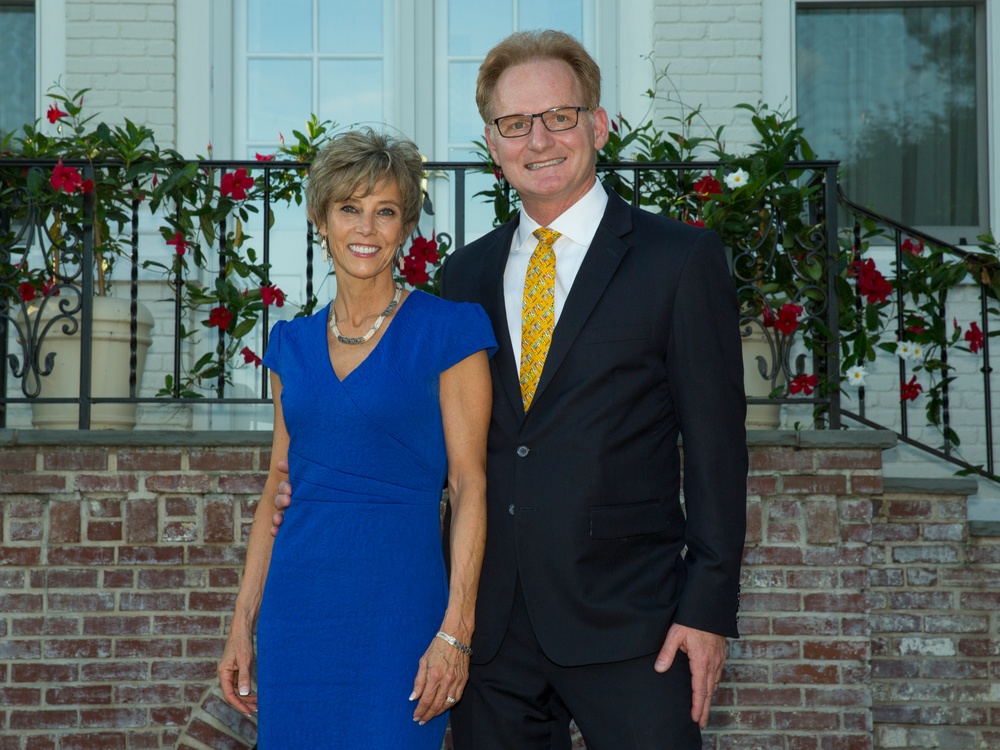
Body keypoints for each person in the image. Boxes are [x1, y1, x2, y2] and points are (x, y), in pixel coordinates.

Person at [275, 30, 747, 748]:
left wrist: (707, 609)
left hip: (633, 623)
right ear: (492, 145)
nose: (539, 140)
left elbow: (717, 450)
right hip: (491, 636)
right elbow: (433, 436)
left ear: (598, 123)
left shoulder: (677, 261)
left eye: (559, 116)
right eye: (514, 124)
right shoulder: (465, 278)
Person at [217, 128, 496, 749]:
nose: (366, 228)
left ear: (405, 227)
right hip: (299, 609)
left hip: (400, 605)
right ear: (321, 219)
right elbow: (276, 488)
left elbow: (469, 484)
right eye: (349, 208)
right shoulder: (289, 344)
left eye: (385, 211)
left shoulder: (449, 330)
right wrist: (242, 624)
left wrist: (456, 630)